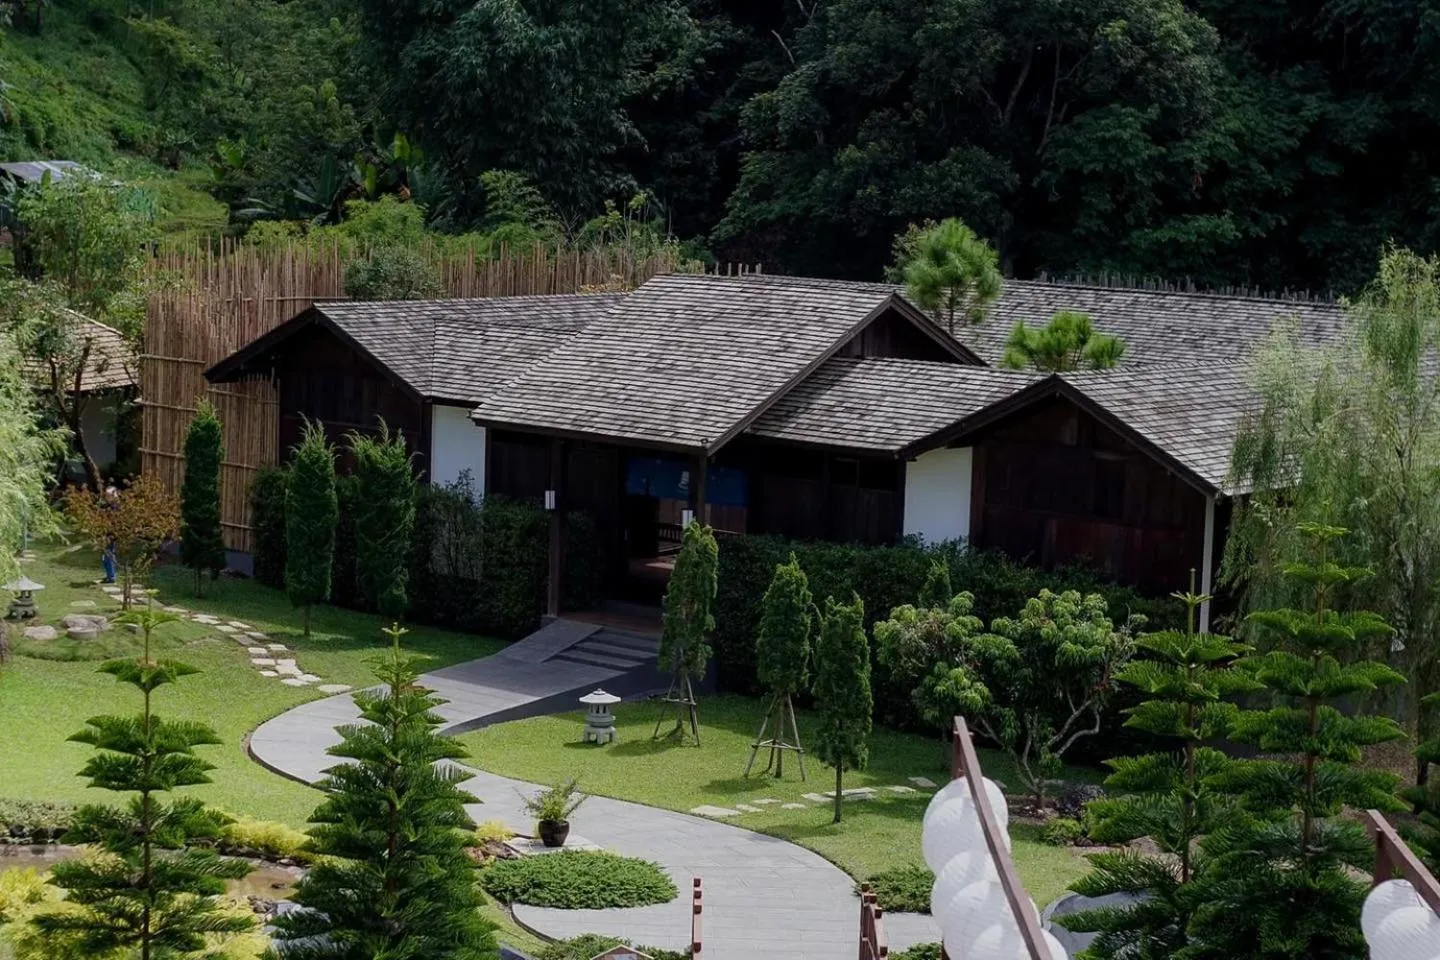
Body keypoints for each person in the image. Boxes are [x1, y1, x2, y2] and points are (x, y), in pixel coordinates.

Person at [100, 485, 118, 584]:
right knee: (106, 554)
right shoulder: (108, 506)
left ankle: (111, 577)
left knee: (108, 555)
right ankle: (109, 575)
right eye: (106, 495)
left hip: (111, 535)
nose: (107, 497)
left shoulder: (115, 507)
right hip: (107, 533)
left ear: (114, 495)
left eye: (108, 495)